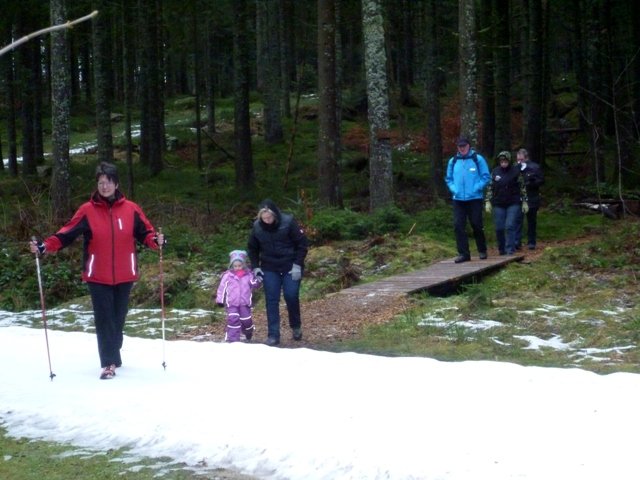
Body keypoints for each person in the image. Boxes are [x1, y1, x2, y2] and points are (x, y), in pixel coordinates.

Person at [29, 162, 164, 380]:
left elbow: (146, 233)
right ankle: (108, 363)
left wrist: (156, 241)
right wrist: (44, 246)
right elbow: (66, 234)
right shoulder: (87, 210)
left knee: (118, 319)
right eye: (100, 183)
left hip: (125, 274)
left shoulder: (131, 209)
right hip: (97, 275)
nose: (104, 186)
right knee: (104, 319)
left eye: (108, 182)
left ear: (116, 184)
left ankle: (114, 354)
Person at [247, 199, 308, 346]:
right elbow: (252, 248)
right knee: (271, 300)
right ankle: (273, 335)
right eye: (264, 218)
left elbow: (302, 244)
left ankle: (296, 326)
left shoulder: (288, 222)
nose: (267, 220)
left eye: (269, 217)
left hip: (290, 265)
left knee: (291, 295)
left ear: (275, 214)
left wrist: (297, 265)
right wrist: (255, 266)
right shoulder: (257, 227)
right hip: (269, 267)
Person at [445, 136, 491, 263]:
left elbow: (486, 176)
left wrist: (477, 188)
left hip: (474, 198)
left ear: (469, 146)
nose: (462, 148)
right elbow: (449, 178)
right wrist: (454, 189)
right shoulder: (453, 161)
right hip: (458, 199)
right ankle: (463, 253)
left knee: (476, 224)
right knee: (458, 225)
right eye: (460, 146)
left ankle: (482, 249)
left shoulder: (477, 159)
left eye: (464, 146)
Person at [485, 151, 527, 255]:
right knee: (499, 227)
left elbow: (522, 187)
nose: (503, 163)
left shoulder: (516, 172)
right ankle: (502, 249)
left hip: (513, 202)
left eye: (505, 161)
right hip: (498, 203)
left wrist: (525, 201)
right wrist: (487, 201)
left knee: (510, 225)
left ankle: (510, 250)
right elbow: (490, 187)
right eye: (501, 161)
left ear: (509, 161)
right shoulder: (495, 171)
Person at [215, 249, 261, 342]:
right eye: (235, 266)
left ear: (243, 265)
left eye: (239, 265)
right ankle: (233, 340)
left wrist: (258, 280)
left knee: (246, 320)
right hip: (232, 303)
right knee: (233, 319)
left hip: (244, 303)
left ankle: (248, 332)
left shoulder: (248, 275)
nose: (237, 268)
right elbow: (221, 288)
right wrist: (220, 300)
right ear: (232, 266)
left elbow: (254, 284)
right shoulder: (228, 275)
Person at [514, 148, 544, 250]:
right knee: (517, 220)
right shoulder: (515, 168)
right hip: (518, 198)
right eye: (518, 159)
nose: (519, 161)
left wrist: (531, 182)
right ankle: (516, 242)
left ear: (526, 158)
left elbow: (541, 180)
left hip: (532, 197)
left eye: (521, 159)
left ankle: (531, 242)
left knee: (531, 221)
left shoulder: (535, 167)